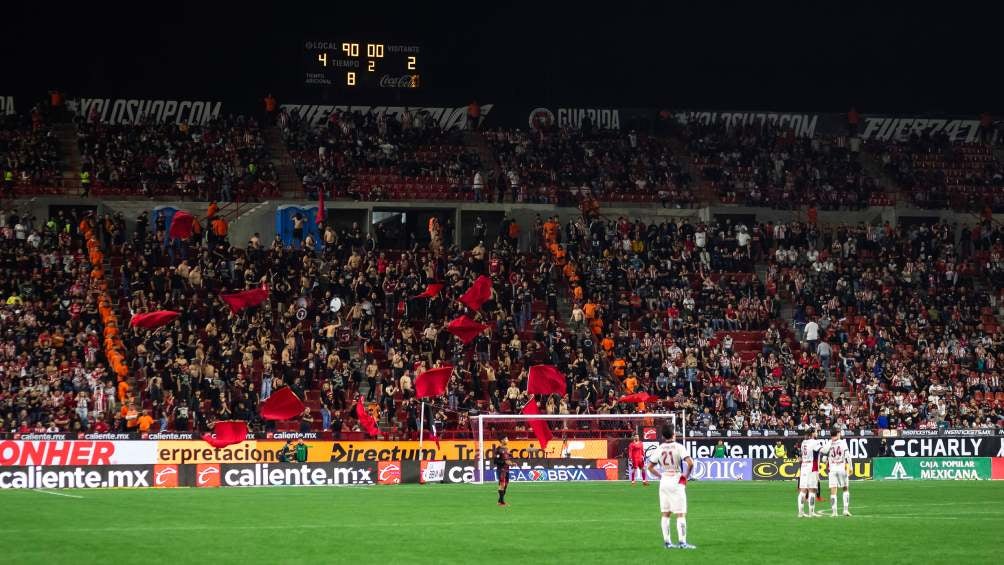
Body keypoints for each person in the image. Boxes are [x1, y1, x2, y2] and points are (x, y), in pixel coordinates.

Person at [646, 424, 695, 550]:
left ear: (662, 436)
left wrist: (660, 476)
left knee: (665, 513)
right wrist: (685, 476)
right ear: (674, 434)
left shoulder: (660, 448)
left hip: (664, 480)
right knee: (680, 514)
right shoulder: (679, 447)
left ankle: (667, 542)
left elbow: (650, 467)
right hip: (676, 479)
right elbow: (690, 463)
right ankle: (682, 543)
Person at [824, 428, 852, 517]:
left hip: (832, 470)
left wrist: (826, 460)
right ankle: (845, 510)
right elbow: (847, 455)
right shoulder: (843, 442)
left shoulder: (829, 443)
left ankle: (834, 512)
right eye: (839, 433)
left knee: (833, 490)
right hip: (841, 468)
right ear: (838, 434)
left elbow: (824, 454)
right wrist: (850, 466)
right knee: (845, 488)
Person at [796, 427, 824, 517]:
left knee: (803, 490)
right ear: (812, 433)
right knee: (812, 490)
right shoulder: (815, 442)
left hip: (804, 466)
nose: (817, 433)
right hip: (812, 467)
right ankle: (811, 512)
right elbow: (823, 450)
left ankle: (800, 513)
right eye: (816, 432)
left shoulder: (803, 442)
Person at [493, 435, 511, 506]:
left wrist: (511, 463)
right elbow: (495, 461)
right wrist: (504, 462)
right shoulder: (498, 450)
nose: (507, 440)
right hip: (501, 470)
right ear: (502, 440)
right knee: (502, 485)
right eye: (506, 439)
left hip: (507, 470)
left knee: (506, 485)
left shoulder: (506, 449)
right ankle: (501, 502)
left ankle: (500, 501)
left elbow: (507, 459)